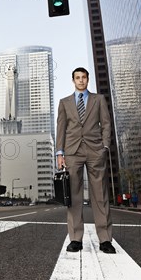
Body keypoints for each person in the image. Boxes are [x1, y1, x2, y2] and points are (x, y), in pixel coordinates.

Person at [56, 67, 115, 254]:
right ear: (73, 80)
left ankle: (105, 239)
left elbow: (106, 123)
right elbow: (61, 128)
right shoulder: (64, 102)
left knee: (100, 194)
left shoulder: (99, 99)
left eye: (83, 77)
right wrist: (59, 153)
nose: (81, 80)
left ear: (88, 79)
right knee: (73, 196)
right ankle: (75, 239)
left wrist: (105, 146)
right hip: (72, 152)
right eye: (77, 78)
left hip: (95, 150)